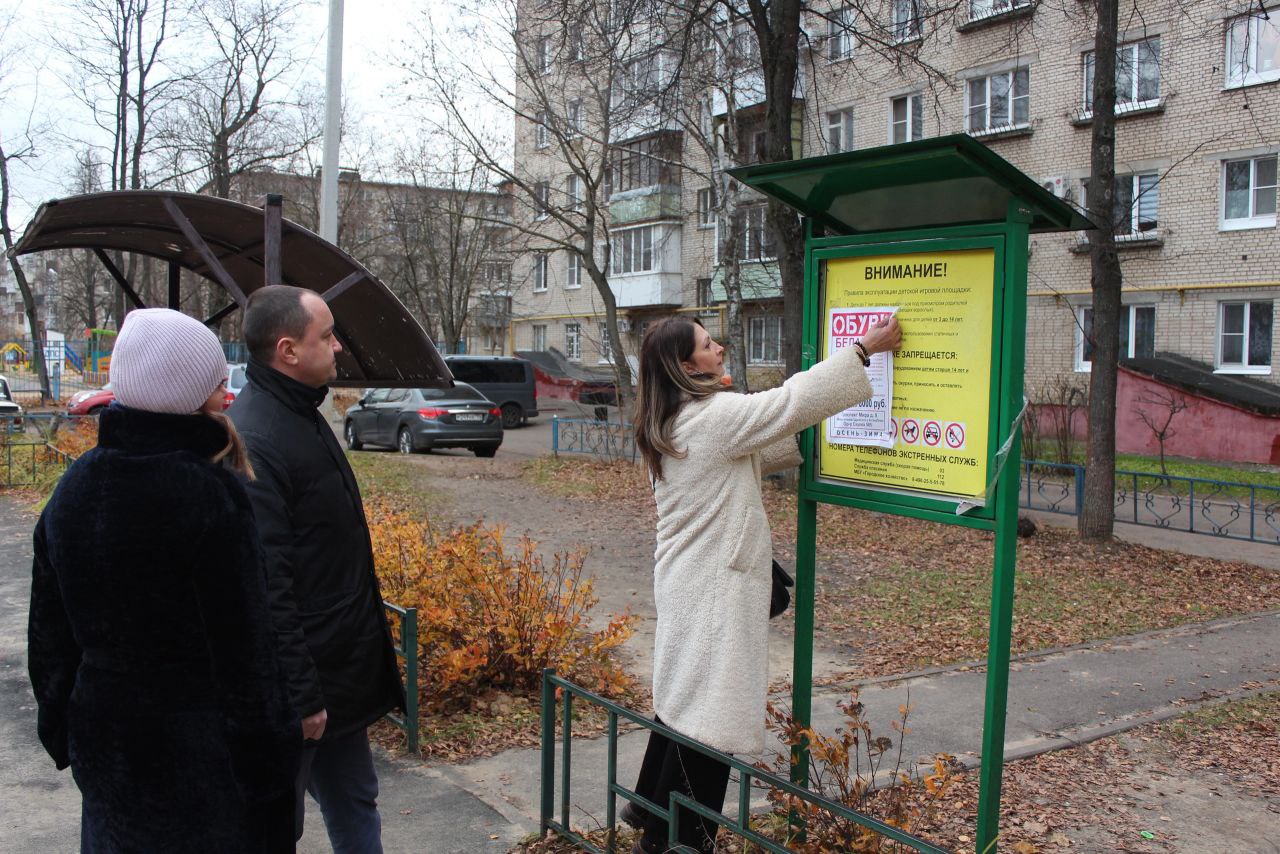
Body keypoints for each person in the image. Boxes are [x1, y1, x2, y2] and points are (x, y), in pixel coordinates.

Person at [627, 315, 903, 853]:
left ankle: (650, 811)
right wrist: (864, 350)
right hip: (712, 594)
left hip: (692, 585)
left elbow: (759, 445)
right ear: (688, 367)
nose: (720, 347)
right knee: (708, 722)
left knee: (685, 704)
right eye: (709, 345)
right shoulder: (711, 419)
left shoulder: (674, 419)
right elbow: (789, 403)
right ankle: (676, 841)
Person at [28, 308, 300, 853]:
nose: (226, 389)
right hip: (198, 756)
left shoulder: (74, 486)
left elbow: (49, 637)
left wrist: (64, 729)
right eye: (215, 379)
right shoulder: (207, 494)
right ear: (184, 389)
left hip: (105, 741)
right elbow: (245, 651)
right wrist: (269, 770)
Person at [229, 285, 404, 853]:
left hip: (335, 678)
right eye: (325, 337)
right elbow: (267, 583)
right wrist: (302, 697)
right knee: (274, 826)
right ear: (287, 350)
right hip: (300, 690)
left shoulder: (299, 411)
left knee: (355, 801)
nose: (338, 349)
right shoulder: (257, 434)